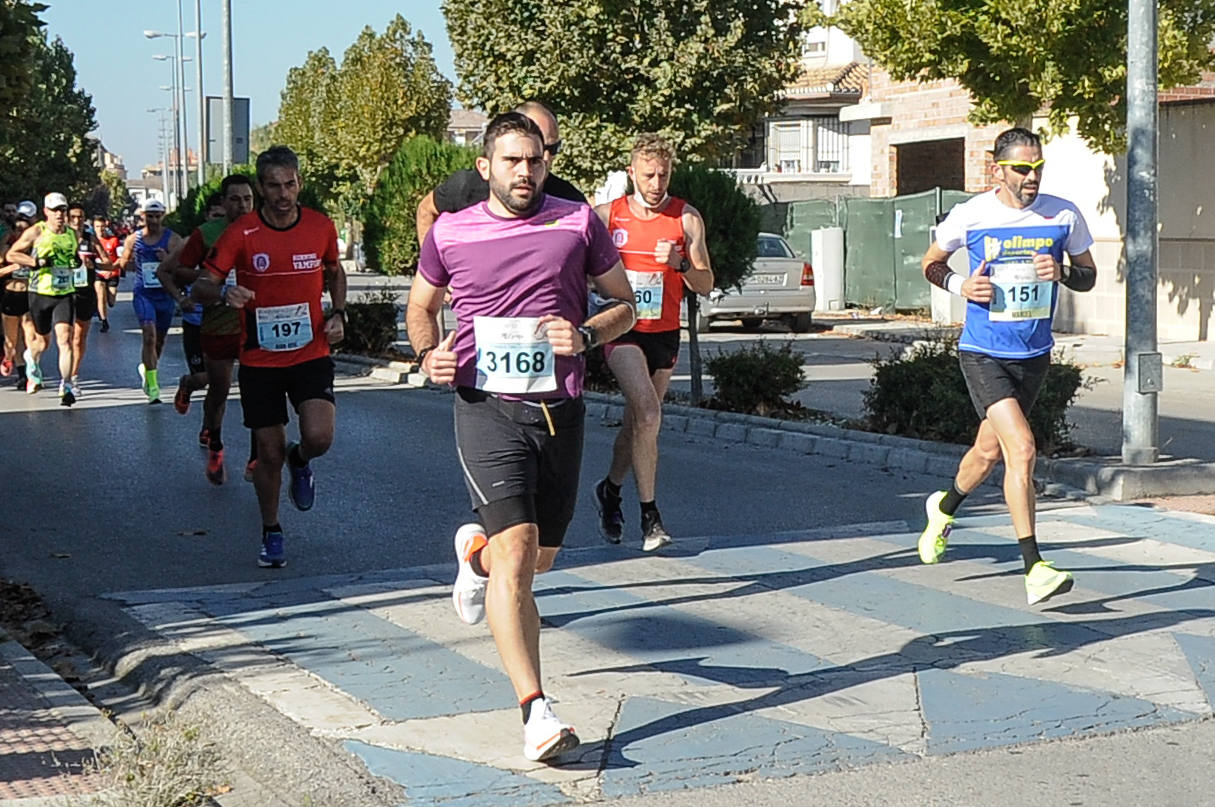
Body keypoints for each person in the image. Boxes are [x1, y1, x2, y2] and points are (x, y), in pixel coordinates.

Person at [406, 112, 636, 762]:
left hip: (559, 410)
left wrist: (589, 333)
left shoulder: (576, 221)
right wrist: (429, 357)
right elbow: (420, 308)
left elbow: (626, 304)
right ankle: (536, 710)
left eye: (534, 160)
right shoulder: (452, 231)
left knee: (536, 558)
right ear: (485, 168)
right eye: (511, 161)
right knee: (521, 554)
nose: (525, 172)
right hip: (486, 406)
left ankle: (473, 556)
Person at [919, 127, 1098, 606]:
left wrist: (1061, 271)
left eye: (1038, 168)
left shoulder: (1062, 213)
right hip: (982, 351)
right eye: (1022, 168)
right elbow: (932, 263)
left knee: (988, 450)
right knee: (1021, 447)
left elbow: (1089, 276)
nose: (1032, 177)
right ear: (997, 168)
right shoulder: (972, 214)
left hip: (1033, 354)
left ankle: (944, 507)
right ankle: (1034, 566)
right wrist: (961, 287)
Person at [194, 146, 346, 568]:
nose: (283, 194)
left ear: (299, 182)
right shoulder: (241, 232)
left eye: (290, 184)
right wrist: (224, 290)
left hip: (310, 352)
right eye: (274, 186)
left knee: (319, 437)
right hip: (260, 360)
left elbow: (334, 271)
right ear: (260, 188)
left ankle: (303, 461)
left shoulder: (320, 226)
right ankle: (272, 530)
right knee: (269, 451)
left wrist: (339, 312)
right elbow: (202, 286)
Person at [592, 133, 714, 551]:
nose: (656, 184)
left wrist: (679, 264)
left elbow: (707, 283)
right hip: (622, 329)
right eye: (648, 175)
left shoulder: (686, 218)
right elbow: (579, 267)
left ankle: (610, 490)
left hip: (663, 333)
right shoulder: (609, 216)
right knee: (647, 413)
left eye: (663, 175)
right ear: (632, 173)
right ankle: (650, 517)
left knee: (639, 422)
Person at [163, 177, 257, 484]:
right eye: (235, 199)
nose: (242, 205)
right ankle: (215, 444)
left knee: (259, 392)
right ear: (223, 203)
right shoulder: (207, 234)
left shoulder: (265, 228)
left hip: (256, 323)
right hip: (218, 322)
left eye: (247, 199)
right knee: (219, 389)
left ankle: (257, 457)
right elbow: (178, 271)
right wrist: (210, 277)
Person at [415, 101, 587, 245]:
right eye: (539, 146)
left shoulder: (571, 202)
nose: (546, 156)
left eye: (553, 148)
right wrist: (436, 272)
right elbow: (426, 211)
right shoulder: (468, 186)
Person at [5, 193, 82, 405]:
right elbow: (12, 254)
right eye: (55, 210)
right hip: (40, 293)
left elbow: (75, 259)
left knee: (64, 339)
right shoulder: (36, 231)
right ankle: (31, 357)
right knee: (42, 342)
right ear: (46, 212)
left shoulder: (72, 233)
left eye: (63, 210)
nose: (60, 214)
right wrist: (34, 262)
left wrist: (75, 261)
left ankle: (65, 385)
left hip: (64, 292)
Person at [114, 198, 184, 403]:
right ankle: (153, 387)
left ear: (162, 216)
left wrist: (168, 260)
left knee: (159, 341)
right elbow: (124, 264)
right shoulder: (133, 240)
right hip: (144, 294)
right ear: (142, 216)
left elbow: (184, 266)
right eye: (149, 216)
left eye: (157, 216)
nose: (153, 220)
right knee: (149, 336)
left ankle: (149, 369)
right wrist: (129, 263)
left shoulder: (172, 239)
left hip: (165, 295)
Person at [66, 204, 111, 392]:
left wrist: (94, 264)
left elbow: (108, 262)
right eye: (74, 217)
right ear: (68, 219)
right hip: (64, 292)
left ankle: (73, 375)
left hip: (85, 292)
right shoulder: (60, 239)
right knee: (64, 336)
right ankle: (65, 377)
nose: (77, 221)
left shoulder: (90, 239)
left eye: (81, 217)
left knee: (79, 337)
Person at [1, 201, 38, 388]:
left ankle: (30, 372)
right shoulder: (6, 247)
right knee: (12, 339)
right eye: (18, 230)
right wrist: (12, 267)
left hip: (30, 293)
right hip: (11, 293)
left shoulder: (35, 247)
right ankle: (15, 365)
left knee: (30, 334)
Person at [92, 215, 121, 333]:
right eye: (97, 227)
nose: (100, 229)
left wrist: (112, 269)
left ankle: (103, 307)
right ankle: (104, 321)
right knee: (100, 293)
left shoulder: (114, 240)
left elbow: (121, 258)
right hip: (98, 273)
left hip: (112, 272)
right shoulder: (91, 241)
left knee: (111, 302)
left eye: (102, 226)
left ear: (106, 226)